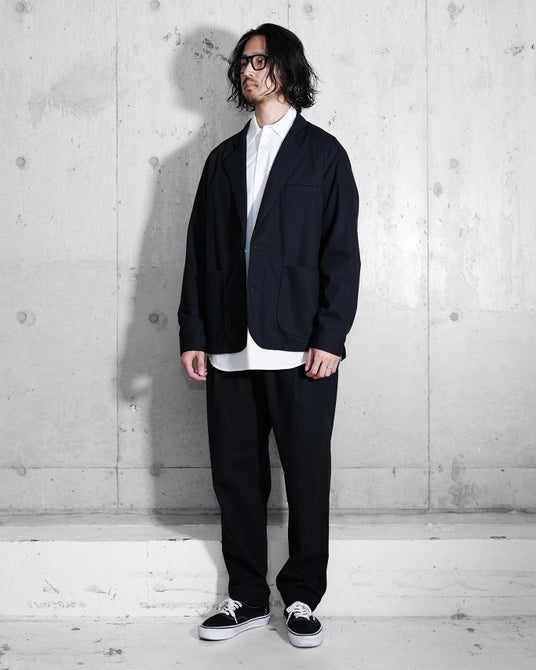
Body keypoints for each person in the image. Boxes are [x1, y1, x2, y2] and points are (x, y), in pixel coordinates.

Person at [178, 22, 360, 648]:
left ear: (286, 67)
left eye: (259, 61)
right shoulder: (223, 159)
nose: (248, 71)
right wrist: (194, 331)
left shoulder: (324, 155)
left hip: (300, 343)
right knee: (236, 476)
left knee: (306, 474)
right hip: (229, 342)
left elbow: (341, 253)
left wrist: (330, 336)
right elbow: (200, 253)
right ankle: (248, 598)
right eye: (242, 63)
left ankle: (303, 596)